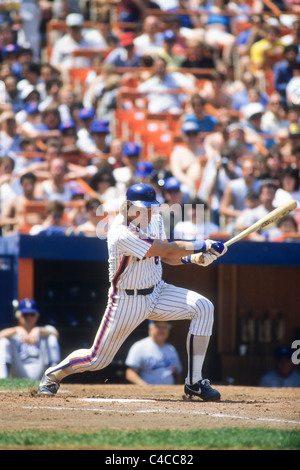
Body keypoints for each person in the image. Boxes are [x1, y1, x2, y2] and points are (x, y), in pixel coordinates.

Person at [37, 182, 228, 401]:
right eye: (141, 207)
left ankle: (194, 382)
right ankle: (52, 376)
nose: (146, 211)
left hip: (158, 291)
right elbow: (164, 249)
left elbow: (165, 256)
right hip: (127, 301)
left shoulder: (155, 219)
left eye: (150, 207)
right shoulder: (120, 232)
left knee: (203, 307)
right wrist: (204, 245)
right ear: (128, 206)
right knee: (97, 359)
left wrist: (194, 259)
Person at [0, 298, 60, 380]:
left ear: (37, 316)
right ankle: (3, 379)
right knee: (4, 341)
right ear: (19, 316)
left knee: (51, 338)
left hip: (40, 369)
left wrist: (38, 330)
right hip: (19, 370)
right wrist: (16, 329)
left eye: (32, 314)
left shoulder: (43, 330)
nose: (29, 318)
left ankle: (53, 378)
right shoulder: (14, 333)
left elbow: (55, 333)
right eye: (25, 315)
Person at [125, 320, 182, 385]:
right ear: (150, 329)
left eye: (165, 327)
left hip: (170, 393)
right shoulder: (139, 346)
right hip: (148, 393)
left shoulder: (171, 349)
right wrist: (145, 387)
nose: (162, 330)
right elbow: (130, 373)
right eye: (158, 327)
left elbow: (178, 373)